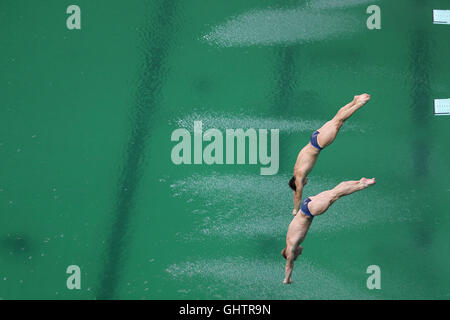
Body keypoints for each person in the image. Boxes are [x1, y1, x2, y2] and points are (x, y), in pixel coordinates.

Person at [282, 177, 376, 284]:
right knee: (335, 192)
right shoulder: (289, 239)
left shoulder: (291, 248)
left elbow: (288, 266)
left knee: (335, 194)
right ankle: (360, 182)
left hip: (310, 210)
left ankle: (362, 185)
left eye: (297, 256)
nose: (300, 254)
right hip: (307, 203)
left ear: (293, 255)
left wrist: (287, 279)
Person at [289, 94, 371, 216]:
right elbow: (295, 190)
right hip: (314, 138)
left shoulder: (299, 177)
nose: (305, 183)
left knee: (339, 121)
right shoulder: (296, 169)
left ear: (297, 182)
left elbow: (297, 195)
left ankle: (358, 104)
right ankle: (354, 101)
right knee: (336, 120)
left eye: (302, 184)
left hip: (318, 143)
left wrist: (295, 210)